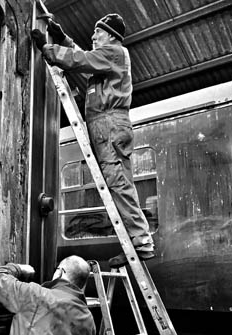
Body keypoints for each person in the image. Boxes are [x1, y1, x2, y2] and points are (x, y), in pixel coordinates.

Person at [32, 14, 155, 267]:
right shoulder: (107, 58)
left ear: (110, 35)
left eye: (98, 31)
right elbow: (83, 54)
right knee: (118, 184)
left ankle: (141, 243)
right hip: (107, 125)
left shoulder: (114, 52)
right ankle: (134, 242)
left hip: (109, 125)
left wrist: (48, 49)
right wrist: (63, 37)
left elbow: (81, 59)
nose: (93, 35)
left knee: (117, 183)